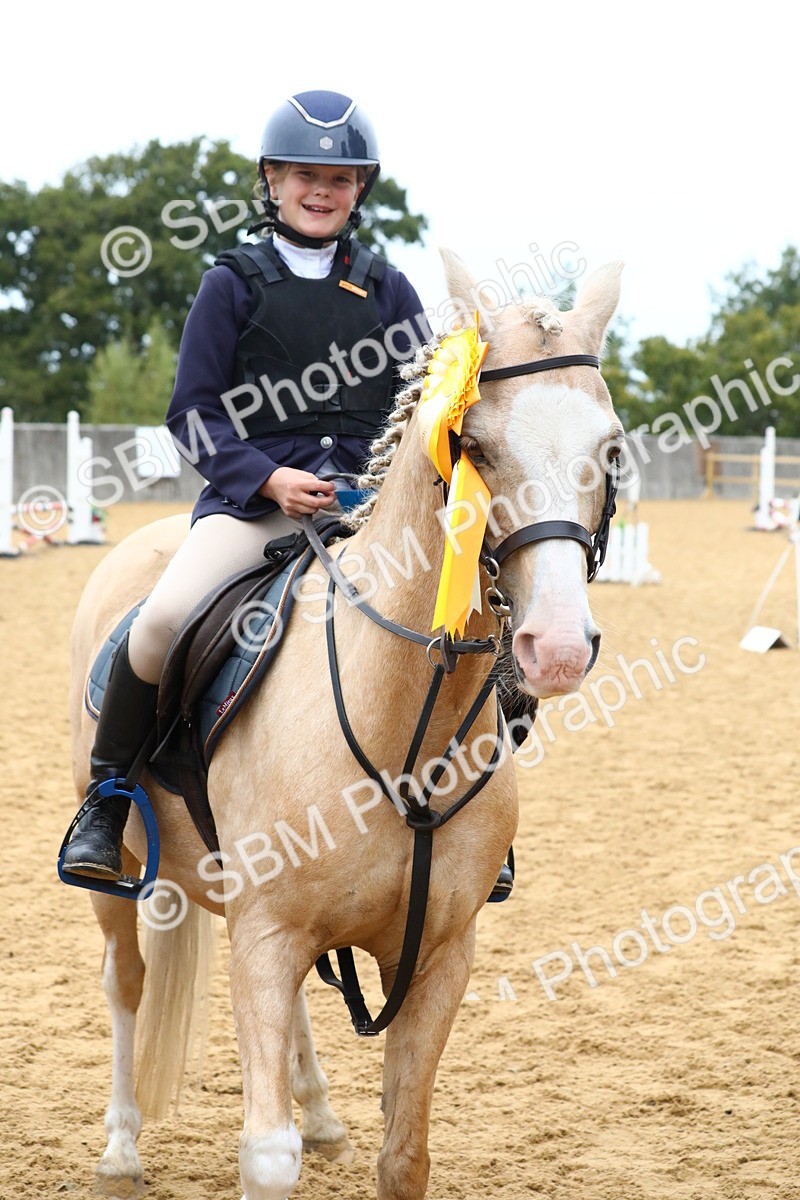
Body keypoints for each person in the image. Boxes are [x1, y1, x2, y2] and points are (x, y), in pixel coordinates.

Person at [63, 89, 514, 900]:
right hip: (255, 505)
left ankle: (477, 817)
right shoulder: (230, 284)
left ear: (360, 190)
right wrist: (264, 477)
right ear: (271, 179)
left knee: (483, 617)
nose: (321, 190)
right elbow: (192, 415)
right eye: (305, 174)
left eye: (339, 179)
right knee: (162, 618)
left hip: (369, 513)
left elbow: (429, 408)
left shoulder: (389, 290)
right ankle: (107, 798)